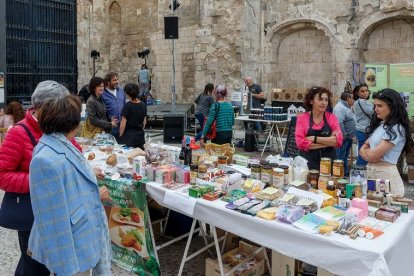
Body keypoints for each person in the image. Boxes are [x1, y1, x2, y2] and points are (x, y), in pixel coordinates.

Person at [0, 81, 81, 276]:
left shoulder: (59, 126)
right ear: (43, 108)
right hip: (32, 213)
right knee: (35, 263)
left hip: (59, 210)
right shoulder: (19, 132)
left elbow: (76, 151)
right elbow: (2, 174)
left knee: (45, 261)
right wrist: (40, 182)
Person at [28, 94, 111, 276]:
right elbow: (52, 222)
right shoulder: (45, 159)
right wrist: (67, 269)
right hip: (73, 251)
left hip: (83, 241)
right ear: (72, 122)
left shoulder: (62, 144)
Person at [360, 89, 412, 197]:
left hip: (386, 177)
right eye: (375, 105)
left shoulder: (397, 128)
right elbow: (362, 149)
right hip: (372, 174)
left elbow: (373, 155)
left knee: (386, 210)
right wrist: (369, 154)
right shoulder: (380, 125)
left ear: (392, 107)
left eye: (380, 106)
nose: (376, 109)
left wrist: (368, 153)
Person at [295, 86, 343, 170]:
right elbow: (300, 143)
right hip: (308, 162)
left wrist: (314, 138)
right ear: (311, 101)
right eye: (320, 99)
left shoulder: (332, 118)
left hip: (329, 162)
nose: (324, 102)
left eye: (326, 100)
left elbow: (339, 141)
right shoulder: (302, 118)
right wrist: (329, 141)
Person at [333, 91, 356, 176]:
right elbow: (339, 123)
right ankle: (338, 176)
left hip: (348, 138)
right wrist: (344, 135)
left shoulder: (346, 107)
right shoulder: (340, 108)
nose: (354, 100)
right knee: (340, 158)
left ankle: (344, 174)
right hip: (343, 139)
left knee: (345, 158)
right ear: (348, 98)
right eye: (353, 98)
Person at [119, 83, 147, 149]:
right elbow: (144, 122)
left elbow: (123, 124)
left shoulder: (127, 106)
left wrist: (120, 136)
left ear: (127, 93)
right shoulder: (143, 104)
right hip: (140, 137)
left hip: (129, 137)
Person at [353, 83, 374, 166]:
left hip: (361, 129)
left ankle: (359, 172)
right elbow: (372, 111)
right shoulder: (362, 102)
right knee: (364, 153)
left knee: (363, 152)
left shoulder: (359, 102)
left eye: (366, 91)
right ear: (358, 93)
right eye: (362, 91)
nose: (365, 93)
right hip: (363, 130)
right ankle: (359, 173)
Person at [102, 72, 126, 139]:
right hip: (110, 126)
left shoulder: (121, 91)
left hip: (122, 125)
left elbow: (124, 106)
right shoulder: (103, 94)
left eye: (117, 79)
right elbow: (102, 111)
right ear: (108, 82)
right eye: (114, 80)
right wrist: (108, 121)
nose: (117, 82)